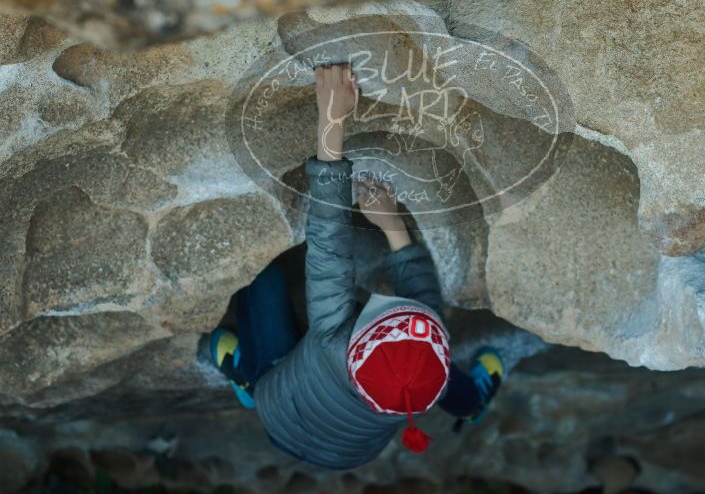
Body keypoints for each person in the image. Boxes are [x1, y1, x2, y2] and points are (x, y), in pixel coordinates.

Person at [207, 63, 505, 470]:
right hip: (351, 453)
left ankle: (248, 375)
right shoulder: (423, 376)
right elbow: (424, 299)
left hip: (278, 405)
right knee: (421, 377)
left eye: (379, 312)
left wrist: (332, 119)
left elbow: (329, 243)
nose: (384, 298)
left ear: (352, 345)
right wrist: (392, 224)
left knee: (262, 277)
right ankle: (471, 404)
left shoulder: (333, 341)